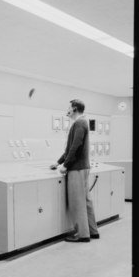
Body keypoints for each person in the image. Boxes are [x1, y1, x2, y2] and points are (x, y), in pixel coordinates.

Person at [50, 98, 99, 243]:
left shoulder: (79, 123)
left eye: (69, 107)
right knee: (86, 200)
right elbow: (70, 148)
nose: (67, 110)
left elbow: (75, 147)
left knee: (77, 202)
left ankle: (82, 235)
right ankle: (92, 231)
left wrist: (65, 165)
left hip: (76, 168)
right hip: (83, 167)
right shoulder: (82, 123)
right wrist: (58, 162)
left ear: (75, 108)